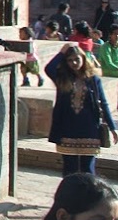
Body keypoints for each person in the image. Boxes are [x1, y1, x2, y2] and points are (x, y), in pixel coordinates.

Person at [47, 44, 118, 176]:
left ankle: (88, 190)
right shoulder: (62, 79)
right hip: (67, 128)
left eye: (77, 59)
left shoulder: (93, 80)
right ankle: (70, 190)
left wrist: (112, 127)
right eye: (70, 60)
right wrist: (62, 52)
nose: (74, 63)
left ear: (83, 59)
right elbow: (49, 68)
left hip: (89, 129)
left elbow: (103, 104)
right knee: (69, 169)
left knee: (88, 170)